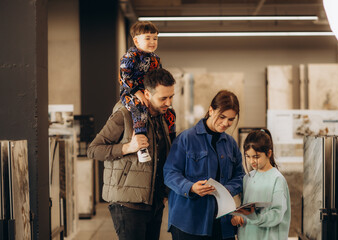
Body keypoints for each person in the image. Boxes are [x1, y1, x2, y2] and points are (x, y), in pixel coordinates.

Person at [87, 68, 176, 240]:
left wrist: (164, 194)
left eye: (171, 97)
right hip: (127, 203)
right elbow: (93, 149)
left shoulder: (164, 118)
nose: (168, 102)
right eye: (163, 98)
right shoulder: (125, 115)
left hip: (154, 202)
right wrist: (128, 147)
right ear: (147, 95)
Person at [163, 90, 245, 240]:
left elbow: (240, 176)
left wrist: (226, 190)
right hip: (188, 222)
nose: (226, 123)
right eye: (222, 117)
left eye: (231, 119)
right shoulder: (186, 139)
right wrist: (191, 187)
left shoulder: (231, 144)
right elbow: (170, 173)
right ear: (211, 110)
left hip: (222, 223)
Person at [119, 20, 176, 162]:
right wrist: (137, 92)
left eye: (155, 38)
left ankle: (172, 141)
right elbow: (124, 78)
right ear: (136, 41)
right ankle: (141, 145)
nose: (152, 42)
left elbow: (159, 78)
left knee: (170, 111)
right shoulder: (129, 57)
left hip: (149, 92)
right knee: (140, 108)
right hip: (130, 93)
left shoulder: (155, 59)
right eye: (148, 38)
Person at [231, 129, 291, 240]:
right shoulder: (247, 178)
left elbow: (277, 214)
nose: (251, 161)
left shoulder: (277, 179)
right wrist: (239, 217)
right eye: (247, 156)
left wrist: (254, 218)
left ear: (269, 153)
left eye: (256, 157)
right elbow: (244, 210)